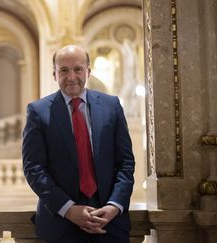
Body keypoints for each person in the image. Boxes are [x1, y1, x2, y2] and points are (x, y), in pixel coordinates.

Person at [22, 45, 135, 243]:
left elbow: (125, 162)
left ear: (88, 71)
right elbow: (33, 168)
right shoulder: (38, 111)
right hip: (61, 224)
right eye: (64, 70)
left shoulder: (112, 106)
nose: (71, 76)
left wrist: (115, 205)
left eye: (78, 69)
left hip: (109, 223)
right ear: (55, 75)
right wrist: (68, 209)